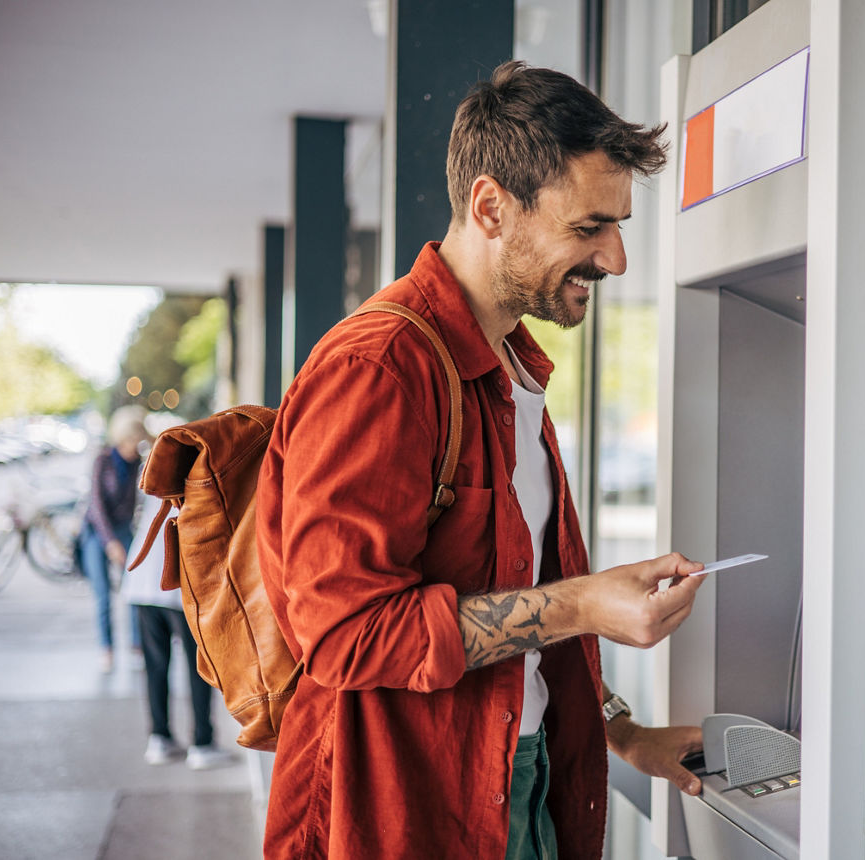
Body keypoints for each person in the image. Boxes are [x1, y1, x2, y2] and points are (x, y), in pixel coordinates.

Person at [257, 61, 707, 859]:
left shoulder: (507, 367)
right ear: (491, 207)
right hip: (404, 814)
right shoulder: (380, 368)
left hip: (514, 785)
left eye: (619, 226)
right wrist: (582, 606)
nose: (615, 260)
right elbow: (344, 636)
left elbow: (503, 599)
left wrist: (622, 731)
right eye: (587, 227)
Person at [125, 487, 236, 770]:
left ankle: (160, 738)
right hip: (181, 584)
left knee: (156, 667)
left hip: (143, 581)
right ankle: (202, 743)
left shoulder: (158, 462)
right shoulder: (200, 471)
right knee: (199, 666)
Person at [79, 404, 148, 673]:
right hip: (98, 531)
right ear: (121, 437)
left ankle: (136, 645)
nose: (136, 445)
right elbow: (95, 505)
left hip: (123, 528)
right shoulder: (103, 459)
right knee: (103, 594)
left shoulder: (137, 463)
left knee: (134, 588)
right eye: (133, 439)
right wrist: (110, 543)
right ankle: (106, 648)